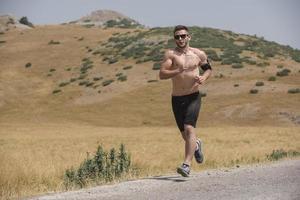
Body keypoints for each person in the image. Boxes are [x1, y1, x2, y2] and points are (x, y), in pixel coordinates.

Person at [159, 25, 212, 177]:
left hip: (193, 96)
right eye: (177, 37)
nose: (180, 39)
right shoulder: (171, 55)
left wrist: (203, 77)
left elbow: (208, 69)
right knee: (185, 135)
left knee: (189, 129)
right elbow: (162, 74)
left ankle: (186, 165)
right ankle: (196, 145)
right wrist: (177, 71)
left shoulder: (198, 54)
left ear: (189, 37)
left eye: (183, 36)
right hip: (176, 99)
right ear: (174, 39)